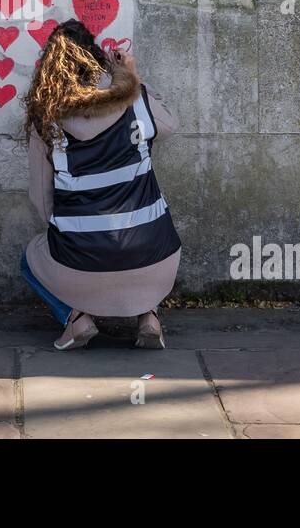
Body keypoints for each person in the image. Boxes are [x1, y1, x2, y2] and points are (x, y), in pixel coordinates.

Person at [19, 19, 181, 350]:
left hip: (81, 264)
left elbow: (41, 202)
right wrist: (131, 79)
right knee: (146, 232)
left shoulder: (46, 120)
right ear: (97, 62)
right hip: (157, 262)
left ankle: (76, 319)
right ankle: (149, 317)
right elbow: (170, 125)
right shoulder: (136, 102)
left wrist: (79, 233)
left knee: (29, 259)